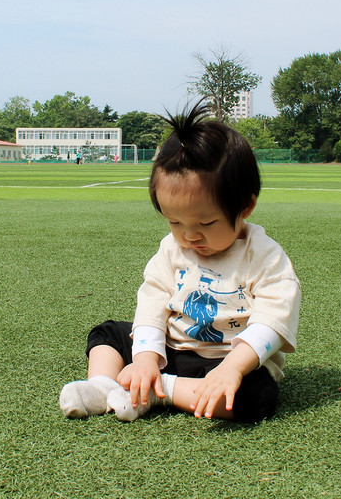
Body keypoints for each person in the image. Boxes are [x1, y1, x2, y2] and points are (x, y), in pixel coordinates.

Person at [58, 102, 301, 423]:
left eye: (206, 224)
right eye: (175, 222)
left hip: (229, 360)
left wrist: (232, 368)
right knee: (109, 334)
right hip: (169, 349)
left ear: (245, 207)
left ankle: (159, 393)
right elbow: (152, 303)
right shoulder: (173, 249)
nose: (190, 236)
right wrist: (145, 359)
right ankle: (103, 385)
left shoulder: (265, 257)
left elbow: (272, 321)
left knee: (256, 398)